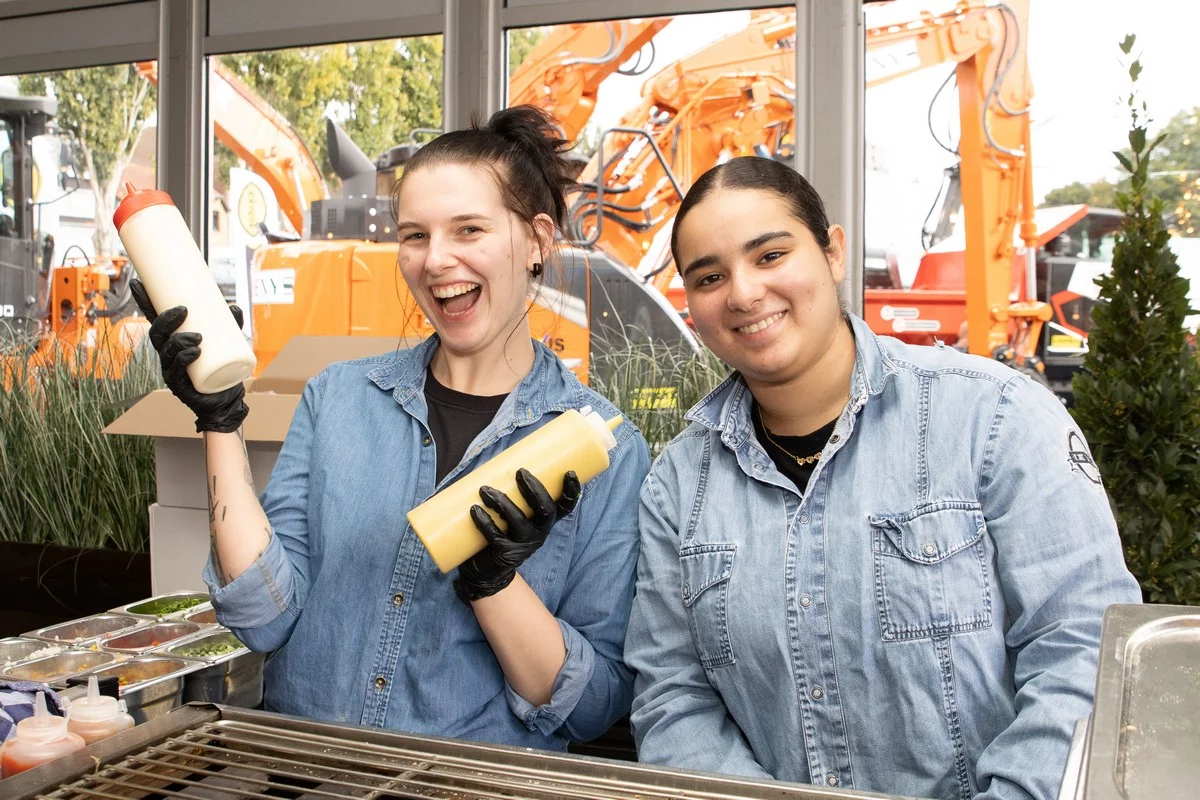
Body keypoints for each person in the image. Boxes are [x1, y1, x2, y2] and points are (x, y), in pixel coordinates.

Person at [131, 105, 650, 750]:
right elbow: (262, 618)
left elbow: (593, 708)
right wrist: (218, 417)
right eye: (414, 235)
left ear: (538, 240)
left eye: (468, 230)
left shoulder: (605, 450)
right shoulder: (339, 398)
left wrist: (494, 585)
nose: (436, 261)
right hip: (309, 775)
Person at [623, 156, 1140, 800]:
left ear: (834, 252)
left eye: (770, 255)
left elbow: (1083, 654)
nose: (744, 293)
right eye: (709, 276)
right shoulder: (680, 482)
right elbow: (674, 697)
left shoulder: (995, 418)